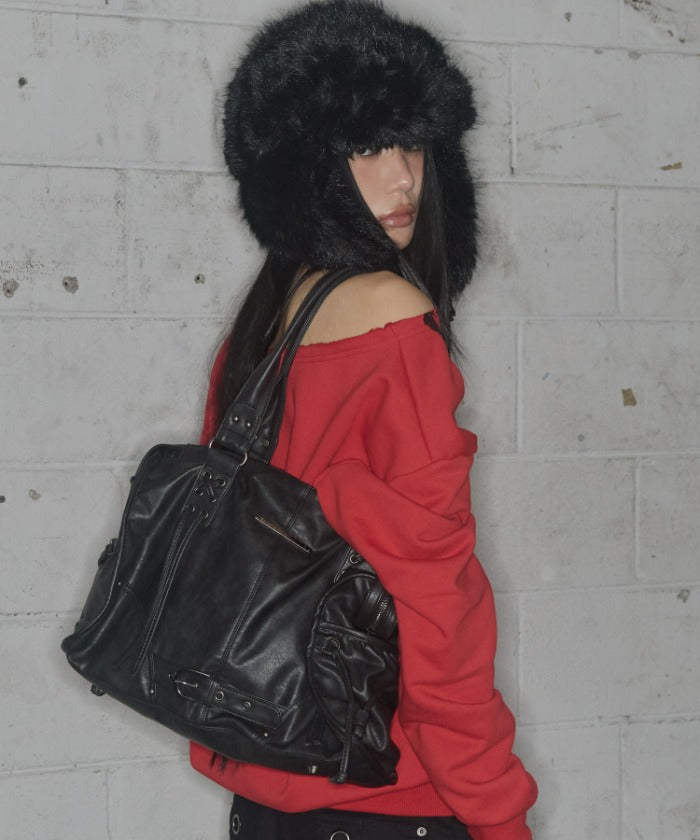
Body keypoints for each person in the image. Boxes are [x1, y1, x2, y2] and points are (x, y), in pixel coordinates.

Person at [191, 1, 537, 838]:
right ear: (304, 166)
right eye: (365, 149)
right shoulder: (394, 321)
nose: (402, 178)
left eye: (412, 145)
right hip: (386, 799)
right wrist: (497, 813)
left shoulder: (262, 327)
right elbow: (440, 608)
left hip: (265, 791)